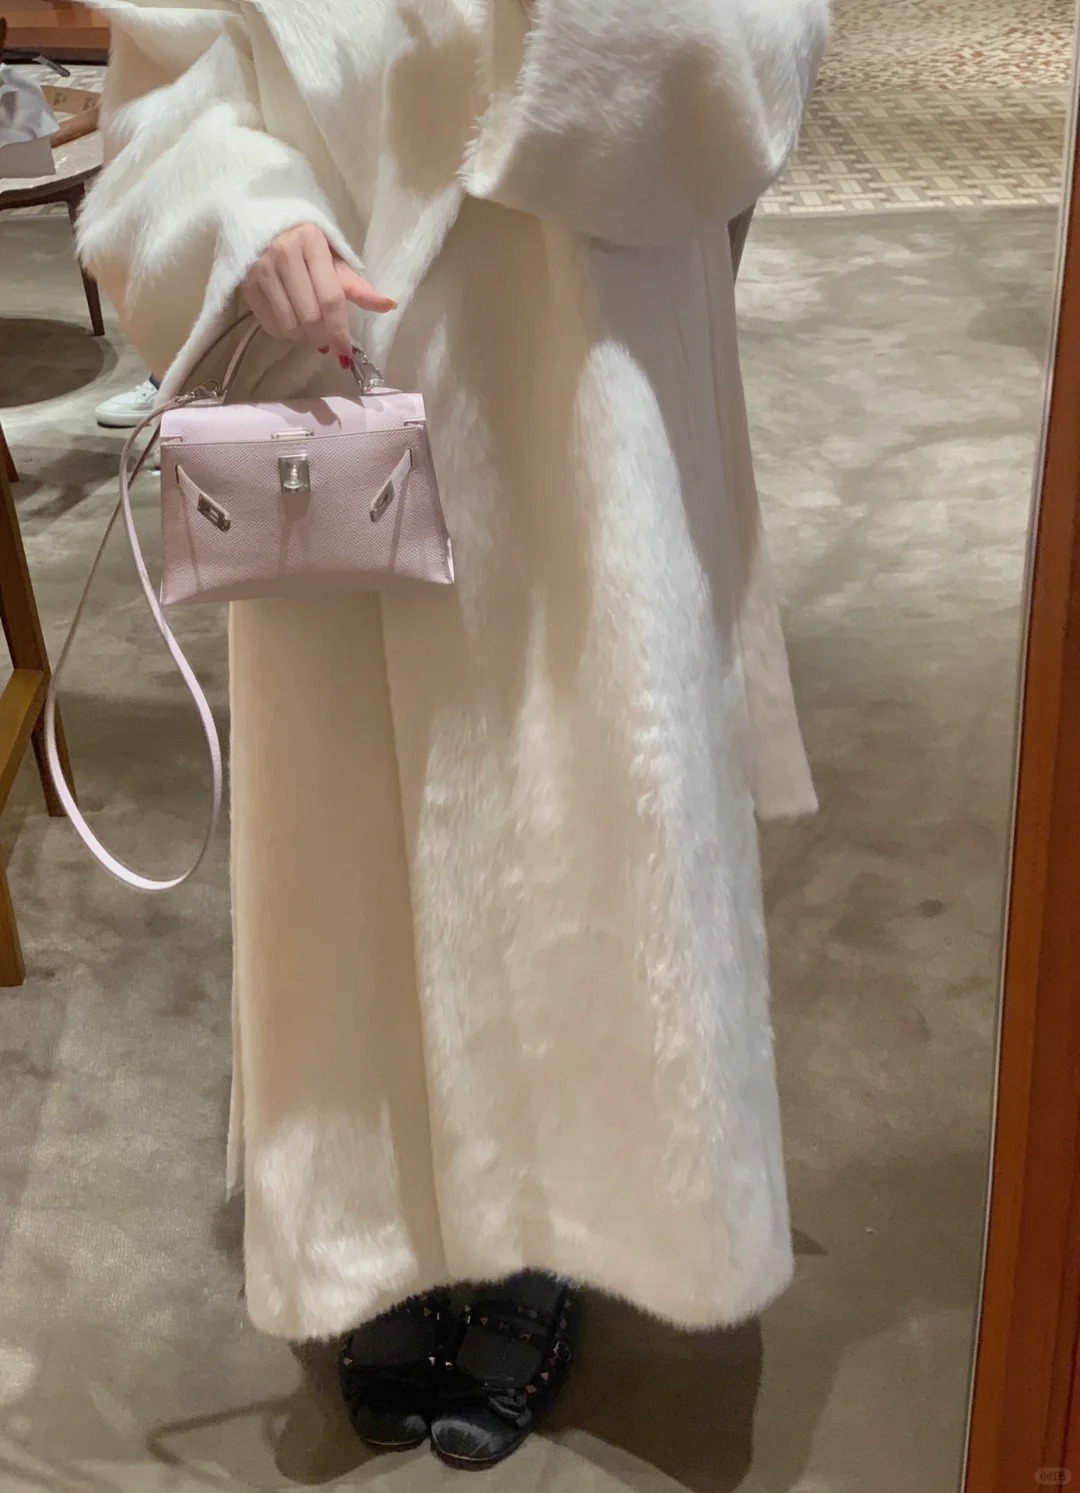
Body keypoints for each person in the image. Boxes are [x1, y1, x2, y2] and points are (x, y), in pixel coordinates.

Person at [78, 0, 828, 1469]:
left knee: (578, 826)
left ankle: (549, 1228)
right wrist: (246, 218)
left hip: (585, 398)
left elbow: (760, 58)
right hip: (336, 397)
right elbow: (167, 89)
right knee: (350, 847)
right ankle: (379, 1225)